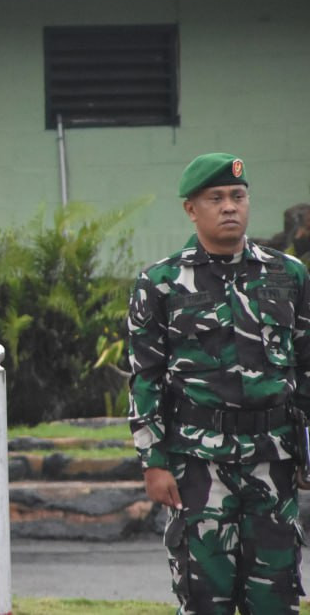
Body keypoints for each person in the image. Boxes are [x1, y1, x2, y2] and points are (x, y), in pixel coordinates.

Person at [127, 153, 310, 614]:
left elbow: (306, 367)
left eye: (238, 196)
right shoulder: (161, 283)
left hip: (274, 459)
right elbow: (145, 378)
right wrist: (153, 460)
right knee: (205, 596)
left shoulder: (288, 275)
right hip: (197, 464)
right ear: (192, 208)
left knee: (276, 596)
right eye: (216, 198)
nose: (230, 207)